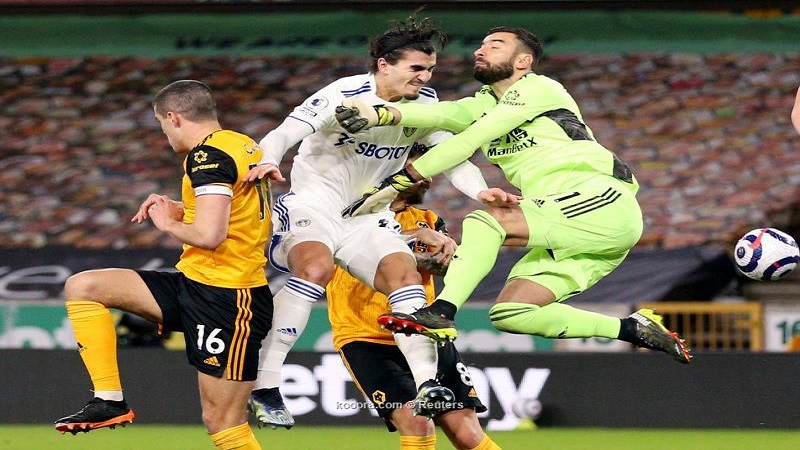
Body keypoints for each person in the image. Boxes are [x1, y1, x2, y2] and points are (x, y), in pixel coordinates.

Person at [335, 27, 693, 364]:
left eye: (495, 45)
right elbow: (442, 114)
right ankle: (632, 328)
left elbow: (469, 140)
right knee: (512, 313)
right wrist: (379, 113)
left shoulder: (540, 88)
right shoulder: (484, 103)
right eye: (481, 45)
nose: (481, 50)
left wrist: (397, 182)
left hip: (600, 200)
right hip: (571, 224)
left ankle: (442, 311)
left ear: (523, 61)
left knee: (487, 221)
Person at [243, 13, 517, 428]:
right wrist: (267, 160)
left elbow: (451, 155)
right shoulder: (343, 93)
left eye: (430, 69)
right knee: (314, 269)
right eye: (417, 68)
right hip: (314, 205)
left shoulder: (425, 104)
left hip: (369, 216)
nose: (425, 77)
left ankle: (428, 386)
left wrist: (480, 192)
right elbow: (283, 133)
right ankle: (265, 386)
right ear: (384, 65)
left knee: (404, 278)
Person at [54, 80, 273, 450]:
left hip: (229, 298)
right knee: (84, 286)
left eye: (160, 124)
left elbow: (210, 235)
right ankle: (109, 400)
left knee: (222, 421)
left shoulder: (207, 157)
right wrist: (182, 208)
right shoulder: (240, 144)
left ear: (174, 117)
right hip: (195, 282)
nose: (164, 133)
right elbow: (235, 210)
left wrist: (166, 223)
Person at [327, 170, 501, 450]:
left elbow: (443, 267)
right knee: (417, 422)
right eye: (421, 170)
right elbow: (353, 247)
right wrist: (414, 237)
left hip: (422, 330)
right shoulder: (347, 212)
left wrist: (446, 255)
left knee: (468, 435)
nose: (429, 179)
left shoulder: (429, 219)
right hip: (367, 337)